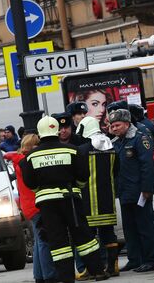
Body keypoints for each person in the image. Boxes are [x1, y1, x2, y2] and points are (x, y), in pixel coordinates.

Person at [19, 116, 108, 283]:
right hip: (71, 199)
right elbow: (83, 176)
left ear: (40, 132)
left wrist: (43, 190)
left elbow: (30, 183)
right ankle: (98, 270)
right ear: (56, 130)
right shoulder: (73, 151)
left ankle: (66, 277)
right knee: (83, 236)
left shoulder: (30, 157)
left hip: (47, 204)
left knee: (58, 241)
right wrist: (76, 185)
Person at [109, 109, 154, 273]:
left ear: (127, 123)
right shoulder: (116, 142)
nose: (114, 128)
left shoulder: (140, 138)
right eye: (112, 126)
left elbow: (147, 166)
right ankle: (134, 259)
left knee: (144, 227)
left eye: (117, 125)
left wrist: (146, 189)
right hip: (125, 192)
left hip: (139, 192)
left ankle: (151, 260)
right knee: (129, 229)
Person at [6, 134, 57, 283]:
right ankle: (49, 275)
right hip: (36, 204)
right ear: (31, 146)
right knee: (44, 241)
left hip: (28, 206)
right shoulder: (28, 162)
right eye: (37, 144)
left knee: (38, 242)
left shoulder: (19, 160)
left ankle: (39, 275)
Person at [76, 117, 120, 278]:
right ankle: (113, 267)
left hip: (88, 200)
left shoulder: (82, 150)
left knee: (89, 237)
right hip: (107, 198)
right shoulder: (111, 148)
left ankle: (93, 269)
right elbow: (116, 171)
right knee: (109, 234)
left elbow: (78, 174)